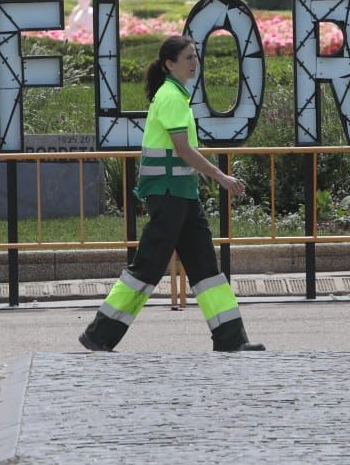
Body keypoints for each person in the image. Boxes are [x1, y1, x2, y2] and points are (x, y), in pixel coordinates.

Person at [80, 35, 264, 353]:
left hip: (180, 194)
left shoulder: (175, 95)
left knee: (206, 267)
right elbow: (183, 149)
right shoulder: (171, 98)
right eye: (189, 57)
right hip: (169, 195)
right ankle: (99, 334)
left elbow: (181, 150)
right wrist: (220, 175)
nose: (196, 62)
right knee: (148, 267)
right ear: (170, 64)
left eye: (196, 56)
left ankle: (230, 338)